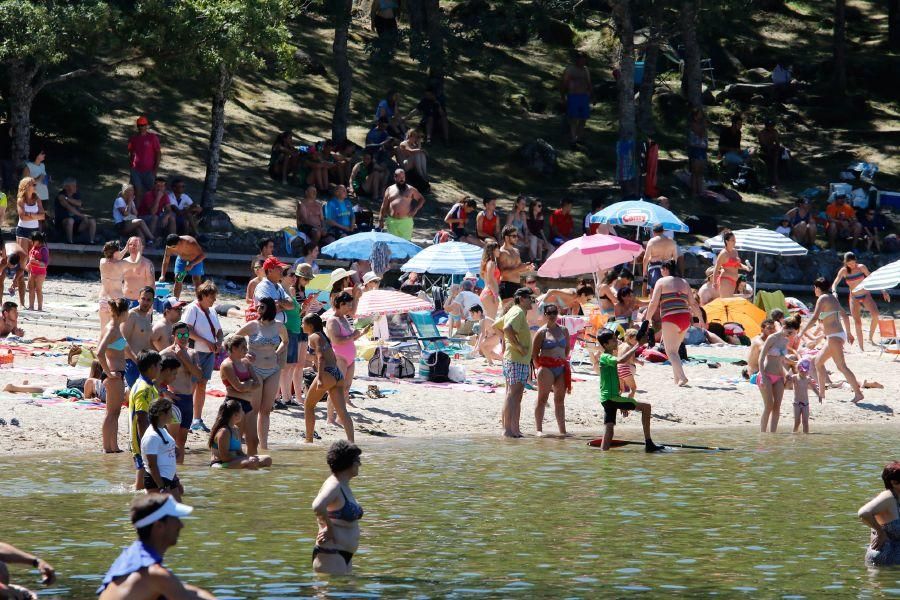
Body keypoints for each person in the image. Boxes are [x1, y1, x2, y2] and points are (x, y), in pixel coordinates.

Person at [96, 494, 215, 599]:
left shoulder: (128, 558)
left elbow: (186, 589)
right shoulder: (156, 575)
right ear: (159, 526)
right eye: (176, 519)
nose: (181, 525)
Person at [233, 297, 287, 452]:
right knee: (253, 409)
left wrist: (277, 352)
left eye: (261, 307)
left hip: (273, 370)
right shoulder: (252, 325)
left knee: (266, 410)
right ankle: (249, 444)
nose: (258, 309)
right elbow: (233, 339)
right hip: (255, 370)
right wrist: (243, 356)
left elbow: (285, 341)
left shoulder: (279, 326)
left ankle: (264, 447)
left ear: (269, 308)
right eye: (257, 307)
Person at [595, 329, 664, 452]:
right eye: (613, 339)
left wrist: (621, 398)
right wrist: (637, 345)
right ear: (605, 344)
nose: (616, 340)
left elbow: (612, 377)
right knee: (646, 407)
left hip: (608, 398)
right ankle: (648, 443)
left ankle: (603, 453)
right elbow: (621, 361)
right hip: (611, 398)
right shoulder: (605, 356)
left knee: (609, 426)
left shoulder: (608, 356)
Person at [798, 277, 864, 403]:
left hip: (834, 337)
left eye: (815, 288)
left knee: (841, 366)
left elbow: (814, 318)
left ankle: (858, 393)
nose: (814, 290)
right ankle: (821, 394)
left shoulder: (822, 298)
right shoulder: (833, 298)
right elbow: (845, 316)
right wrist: (848, 333)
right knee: (818, 362)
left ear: (817, 288)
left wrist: (801, 332)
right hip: (836, 335)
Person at [644, 260, 703, 387]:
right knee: (674, 351)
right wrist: (701, 319)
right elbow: (693, 303)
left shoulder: (661, 282)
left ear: (665, 269)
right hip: (685, 319)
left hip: (671, 318)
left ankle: (682, 377)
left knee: (670, 351)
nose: (660, 272)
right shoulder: (684, 282)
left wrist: (647, 319)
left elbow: (653, 303)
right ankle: (676, 379)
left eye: (661, 269)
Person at [312, 440, 363, 575]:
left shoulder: (343, 485)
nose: (360, 464)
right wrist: (328, 527)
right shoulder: (334, 485)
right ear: (348, 463)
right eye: (357, 460)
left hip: (342, 556)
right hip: (331, 554)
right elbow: (317, 505)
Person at [182, 281, 223, 432]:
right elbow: (187, 330)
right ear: (204, 295)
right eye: (212, 296)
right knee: (191, 385)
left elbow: (219, 331)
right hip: (195, 352)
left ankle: (197, 419)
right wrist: (206, 341)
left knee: (202, 385)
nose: (214, 299)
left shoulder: (212, 311)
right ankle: (186, 417)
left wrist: (219, 342)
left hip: (209, 353)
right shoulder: (192, 309)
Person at [303, 313, 349, 444]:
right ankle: (351, 441)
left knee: (308, 405)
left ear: (310, 326)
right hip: (337, 373)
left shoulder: (313, 336)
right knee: (342, 411)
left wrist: (320, 378)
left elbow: (321, 358)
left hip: (327, 373)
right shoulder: (323, 335)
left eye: (303, 323)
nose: (301, 325)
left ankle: (309, 440)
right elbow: (329, 357)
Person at [327, 293, 369, 433]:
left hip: (350, 358)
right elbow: (336, 340)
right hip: (340, 357)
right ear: (341, 304)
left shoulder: (345, 319)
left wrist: (360, 333)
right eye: (348, 304)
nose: (350, 307)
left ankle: (340, 417)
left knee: (346, 388)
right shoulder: (332, 321)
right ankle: (330, 418)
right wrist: (353, 335)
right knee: (335, 388)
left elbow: (350, 338)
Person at [159, 321, 201, 462]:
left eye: (186, 334)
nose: (183, 337)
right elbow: (153, 377)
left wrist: (184, 357)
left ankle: (179, 472)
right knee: (172, 440)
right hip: (174, 401)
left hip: (188, 400)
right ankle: (167, 470)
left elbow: (199, 375)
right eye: (180, 334)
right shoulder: (165, 354)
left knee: (182, 441)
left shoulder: (193, 353)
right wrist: (165, 392)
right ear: (173, 336)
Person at [495, 287, 534, 438]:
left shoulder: (515, 311)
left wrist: (507, 343)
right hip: (516, 359)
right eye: (531, 298)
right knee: (512, 394)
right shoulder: (517, 311)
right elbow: (506, 328)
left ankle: (515, 429)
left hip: (517, 359)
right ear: (522, 299)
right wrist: (516, 345)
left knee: (517, 394)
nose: (533, 301)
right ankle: (507, 430)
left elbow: (496, 326)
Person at [833, 252, 889, 351]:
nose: (851, 265)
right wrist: (834, 291)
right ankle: (861, 348)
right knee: (857, 323)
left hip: (865, 294)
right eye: (849, 263)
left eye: (853, 262)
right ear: (845, 262)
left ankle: (870, 338)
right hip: (854, 296)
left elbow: (872, 278)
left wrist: (883, 290)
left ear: (855, 260)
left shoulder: (861, 267)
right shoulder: (844, 271)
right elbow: (835, 283)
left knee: (875, 315)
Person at [531, 303, 571, 436]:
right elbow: (534, 354)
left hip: (561, 367)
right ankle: (539, 429)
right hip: (546, 368)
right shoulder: (542, 332)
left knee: (560, 400)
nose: (553, 315)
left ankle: (563, 431)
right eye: (550, 313)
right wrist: (540, 368)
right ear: (545, 315)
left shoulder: (564, 330)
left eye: (555, 312)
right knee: (542, 398)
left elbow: (567, 349)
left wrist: (561, 359)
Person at [757, 315, 800, 433]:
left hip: (779, 376)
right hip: (766, 374)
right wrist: (763, 376)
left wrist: (794, 363)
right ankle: (763, 434)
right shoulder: (772, 338)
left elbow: (782, 359)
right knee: (769, 406)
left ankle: (773, 435)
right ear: (784, 327)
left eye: (793, 333)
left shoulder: (785, 340)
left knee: (777, 407)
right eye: (790, 332)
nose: (790, 335)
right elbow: (761, 358)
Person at [128, 350, 162, 490]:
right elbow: (142, 418)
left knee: (143, 471)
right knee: (143, 470)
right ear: (151, 367)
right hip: (141, 438)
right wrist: (145, 443)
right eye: (159, 365)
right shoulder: (144, 389)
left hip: (145, 436)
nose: (161, 368)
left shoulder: (148, 385)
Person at [857, 461, 900, 567]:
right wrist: (880, 532)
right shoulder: (888, 497)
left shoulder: (898, 497)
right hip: (883, 562)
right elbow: (863, 512)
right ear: (894, 482)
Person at [209, 398, 272, 469]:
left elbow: (239, 452)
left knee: (267, 459)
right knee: (251, 462)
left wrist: (247, 457)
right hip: (220, 464)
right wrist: (246, 459)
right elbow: (225, 458)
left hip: (233, 460)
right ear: (235, 415)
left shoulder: (236, 429)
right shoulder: (224, 432)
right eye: (241, 410)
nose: (243, 412)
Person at [142, 397, 184, 500]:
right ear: (161, 414)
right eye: (170, 412)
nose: (172, 415)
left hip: (169, 478)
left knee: (176, 512)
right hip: (157, 481)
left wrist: (176, 480)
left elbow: (168, 457)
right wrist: (161, 487)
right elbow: (152, 465)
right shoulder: (151, 436)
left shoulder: (163, 430)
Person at [278, 267, 305, 407]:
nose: (294, 277)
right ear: (282, 276)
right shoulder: (281, 291)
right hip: (287, 330)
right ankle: (285, 397)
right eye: (291, 275)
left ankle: (287, 397)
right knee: (286, 366)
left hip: (294, 330)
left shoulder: (289, 291)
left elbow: (297, 313)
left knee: (291, 366)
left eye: (295, 275)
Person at [122, 286, 156, 390]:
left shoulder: (148, 316)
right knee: (138, 393)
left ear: (152, 301)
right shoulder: (132, 315)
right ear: (138, 299)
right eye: (143, 299)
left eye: (148, 300)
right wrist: (136, 360)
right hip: (132, 362)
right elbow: (123, 340)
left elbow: (147, 341)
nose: (145, 302)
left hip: (146, 363)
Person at [378, 169, 425, 240]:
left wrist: (415, 209)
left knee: (405, 245)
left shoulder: (411, 189)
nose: (402, 179)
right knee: (392, 245)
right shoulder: (389, 189)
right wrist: (380, 219)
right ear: (395, 177)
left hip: (405, 222)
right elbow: (384, 206)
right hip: (392, 221)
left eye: (403, 177)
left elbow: (421, 199)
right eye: (400, 177)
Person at [498, 225, 534, 310]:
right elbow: (502, 273)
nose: (517, 238)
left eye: (517, 236)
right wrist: (521, 268)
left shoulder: (516, 251)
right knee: (508, 313)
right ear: (506, 238)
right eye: (514, 236)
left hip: (517, 284)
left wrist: (528, 268)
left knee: (519, 312)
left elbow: (519, 268)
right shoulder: (502, 252)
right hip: (507, 286)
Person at [159, 234, 206, 300]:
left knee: (196, 280)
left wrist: (192, 264)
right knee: (178, 279)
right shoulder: (169, 246)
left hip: (195, 259)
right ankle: (175, 301)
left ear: (179, 242)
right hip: (181, 259)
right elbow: (166, 261)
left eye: (173, 247)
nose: (171, 249)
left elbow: (202, 255)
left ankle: (200, 301)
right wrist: (162, 275)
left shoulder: (190, 242)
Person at [561, 52, 591, 147]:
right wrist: (563, 96)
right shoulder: (570, 70)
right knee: (573, 118)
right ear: (577, 60)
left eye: (584, 59)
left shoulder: (586, 70)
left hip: (584, 96)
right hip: (573, 96)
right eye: (581, 59)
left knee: (583, 118)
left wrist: (593, 95)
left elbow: (589, 83)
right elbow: (564, 83)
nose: (583, 61)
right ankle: (573, 138)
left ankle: (579, 136)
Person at [127, 116, 162, 199]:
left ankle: (151, 211)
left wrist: (155, 169)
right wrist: (131, 167)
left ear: (147, 125)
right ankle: (136, 211)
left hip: (149, 170)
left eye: (143, 125)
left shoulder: (152, 138)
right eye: (139, 125)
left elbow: (158, 153)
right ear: (137, 126)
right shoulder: (133, 139)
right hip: (136, 170)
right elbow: (130, 152)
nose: (141, 127)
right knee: (137, 192)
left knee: (151, 192)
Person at [54, 177, 97, 243]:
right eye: (73, 186)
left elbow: (79, 203)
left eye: (75, 185)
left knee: (92, 221)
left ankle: (91, 241)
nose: (75, 187)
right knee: (70, 220)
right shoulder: (60, 196)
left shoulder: (76, 194)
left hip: (77, 222)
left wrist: (67, 198)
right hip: (63, 222)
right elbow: (69, 208)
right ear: (66, 187)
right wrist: (82, 216)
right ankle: (70, 242)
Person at [712, 232, 753, 298]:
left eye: (735, 240)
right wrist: (714, 282)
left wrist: (746, 268)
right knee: (726, 301)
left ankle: (744, 296)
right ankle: (744, 296)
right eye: (733, 240)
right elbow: (716, 268)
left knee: (729, 301)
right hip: (725, 280)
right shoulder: (723, 254)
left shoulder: (735, 251)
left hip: (733, 281)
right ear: (727, 241)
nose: (735, 242)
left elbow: (737, 265)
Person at [643, 223, 678, 293]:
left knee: (653, 291)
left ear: (653, 232)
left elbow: (646, 258)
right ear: (663, 231)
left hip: (654, 268)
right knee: (667, 291)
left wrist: (644, 271)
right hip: (667, 268)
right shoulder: (672, 241)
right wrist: (673, 270)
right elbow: (675, 257)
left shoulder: (652, 242)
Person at [15, 177, 45, 256]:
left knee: (32, 256)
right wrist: (36, 216)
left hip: (35, 230)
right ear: (27, 186)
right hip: (23, 230)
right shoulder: (20, 200)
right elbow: (23, 217)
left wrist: (30, 214)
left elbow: (43, 216)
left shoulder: (37, 199)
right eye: (33, 185)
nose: (35, 186)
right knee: (23, 257)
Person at [789, 358, 818, 434]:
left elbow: (814, 388)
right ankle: (794, 434)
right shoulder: (794, 377)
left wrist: (819, 395)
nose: (803, 373)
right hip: (796, 404)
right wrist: (787, 379)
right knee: (797, 422)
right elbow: (787, 385)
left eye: (805, 371)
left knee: (805, 422)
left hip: (805, 404)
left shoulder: (808, 379)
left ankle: (806, 435)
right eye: (801, 371)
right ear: (798, 369)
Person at [687, 107, 708, 198]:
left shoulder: (703, 126)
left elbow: (705, 139)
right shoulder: (692, 125)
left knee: (700, 172)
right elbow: (695, 137)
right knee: (695, 172)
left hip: (702, 150)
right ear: (695, 116)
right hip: (695, 150)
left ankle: (700, 192)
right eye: (699, 114)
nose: (700, 116)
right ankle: (693, 192)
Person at [526, 198, 554, 263]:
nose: (541, 207)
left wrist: (545, 240)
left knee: (551, 247)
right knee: (536, 241)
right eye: (539, 206)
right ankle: (535, 261)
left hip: (539, 237)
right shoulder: (528, 216)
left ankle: (544, 262)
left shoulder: (540, 216)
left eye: (541, 206)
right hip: (531, 236)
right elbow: (527, 229)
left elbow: (541, 230)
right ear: (533, 207)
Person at [757, 118, 783, 189]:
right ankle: (774, 177)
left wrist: (776, 147)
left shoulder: (775, 132)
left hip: (773, 149)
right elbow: (763, 144)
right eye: (769, 125)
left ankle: (783, 175)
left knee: (782, 153)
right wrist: (770, 147)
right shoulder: (761, 133)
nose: (770, 127)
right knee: (772, 156)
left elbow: (777, 143)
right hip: (764, 150)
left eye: (772, 126)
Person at [25, 231, 48, 311]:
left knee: (38, 289)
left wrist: (35, 262)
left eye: (33, 240)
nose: (31, 242)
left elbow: (45, 264)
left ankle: (40, 307)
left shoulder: (43, 249)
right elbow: (31, 259)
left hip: (40, 273)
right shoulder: (33, 248)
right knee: (31, 289)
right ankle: (31, 306)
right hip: (32, 271)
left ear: (38, 240)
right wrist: (28, 265)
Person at [478, 241, 501, 319]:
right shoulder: (491, 263)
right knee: (490, 321)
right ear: (493, 251)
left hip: (487, 293)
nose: (499, 251)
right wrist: (495, 295)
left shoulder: (487, 263)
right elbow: (490, 280)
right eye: (498, 249)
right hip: (490, 294)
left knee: (487, 321)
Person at [1, 243, 27, 307]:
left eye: (12, 266)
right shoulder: (3, 257)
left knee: (21, 279)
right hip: (5, 254)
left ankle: (22, 304)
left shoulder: (23, 256)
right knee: (0, 278)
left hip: (16, 254)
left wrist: (15, 279)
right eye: (9, 265)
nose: (10, 267)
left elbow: (22, 269)